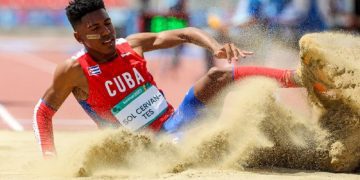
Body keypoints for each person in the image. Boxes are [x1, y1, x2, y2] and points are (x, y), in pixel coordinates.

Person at [33, 0, 302, 158]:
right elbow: (43, 113)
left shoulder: (132, 45)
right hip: (142, 149)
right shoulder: (73, 70)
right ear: (79, 37)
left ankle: (296, 77)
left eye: (108, 23)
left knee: (217, 75)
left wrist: (213, 46)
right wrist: (49, 156)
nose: (106, 32)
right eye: (94, 28)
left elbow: (185, 33)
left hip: (177, 123)